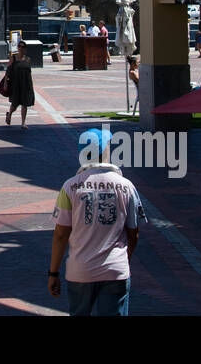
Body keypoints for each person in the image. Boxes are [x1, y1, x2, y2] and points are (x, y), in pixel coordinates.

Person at [48, 127, 145, 316]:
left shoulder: (70, 186)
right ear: (104, 150)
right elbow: (134, 232)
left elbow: (60, 234)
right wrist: (124, 260)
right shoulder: (126, 186)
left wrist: (53, 273)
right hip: (115, 269)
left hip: (80, 270)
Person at [2, 41, 35, 130]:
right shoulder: (13, 58)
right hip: (16, 84)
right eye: (19, 46)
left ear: (25, 49)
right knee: (15, 104)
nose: (20, 48)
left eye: (22, 47)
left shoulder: (28, 59)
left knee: (25, 103)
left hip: (26, 84)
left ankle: (23, 123)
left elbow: (29, 73)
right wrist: (5, 82)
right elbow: (8, 71)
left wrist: (30, 87)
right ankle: (9, 114)